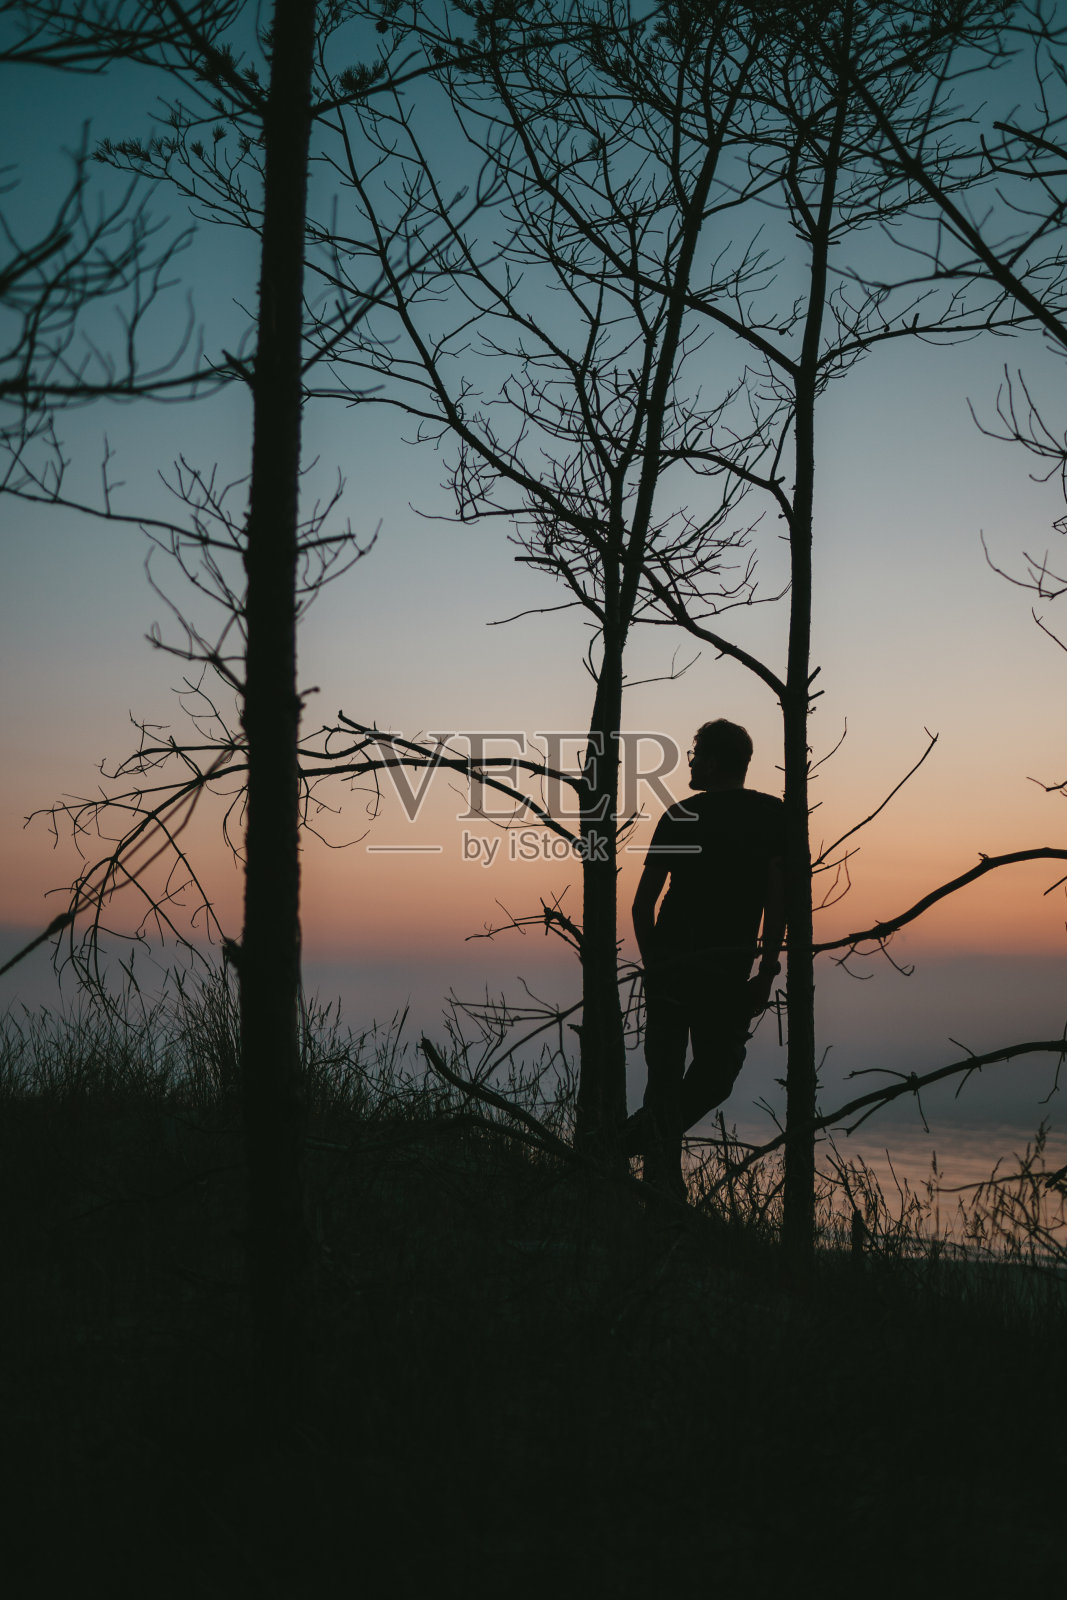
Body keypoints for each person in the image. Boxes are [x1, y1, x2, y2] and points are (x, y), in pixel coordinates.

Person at [629, 718, 786, 1197]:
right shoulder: (772, 816)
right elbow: (778, 899)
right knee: (715, 1076)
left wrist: (656, 966)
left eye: (696, 754)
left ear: (714, 761)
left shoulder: (680, 815)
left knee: (672, 1080)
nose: (691, 762)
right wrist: (767, 970)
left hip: (681, 972)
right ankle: (661, 1190)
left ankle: (615, 1145)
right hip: (722, 974)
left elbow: (642, 905)